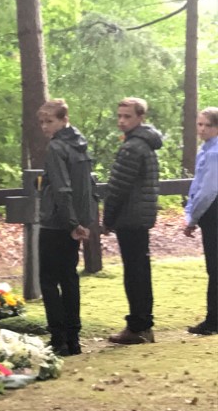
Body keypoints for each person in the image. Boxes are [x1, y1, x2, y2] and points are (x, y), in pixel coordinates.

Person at [102, 97, 163, 346]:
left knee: (135, 273)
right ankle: (142, 324)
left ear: (140, 117)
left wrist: (107, 218)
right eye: (119, 116)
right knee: (140, 270)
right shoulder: (145, 144)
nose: (121, 121)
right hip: (140, 216)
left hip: (131, 217)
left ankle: (138, 326)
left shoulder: (133, 147)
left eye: (127, 116)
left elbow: (117, 188)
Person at [36, 99, 95, 356]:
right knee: (69, 278)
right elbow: (86, 187)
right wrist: (81, 221)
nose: (45, 127)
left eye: (50, 121)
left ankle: (59, 338)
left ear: (63, 120)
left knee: (49, 280)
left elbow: (62, 188)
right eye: (42, 122)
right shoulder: (80, 145)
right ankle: (73, 338)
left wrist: (72, 223)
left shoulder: (57, 147)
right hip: (75, 219)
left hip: (56, 222)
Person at [183, 107, 218, 336]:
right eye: (200, 124)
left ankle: (213, 320)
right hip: (208, 211)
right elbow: (197, 184)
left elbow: (208, 190)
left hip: (213, 211)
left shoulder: (214, 153)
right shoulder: (205, 150)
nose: (202, 129)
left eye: (208, 125)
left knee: (214, 268)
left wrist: (193, 217)